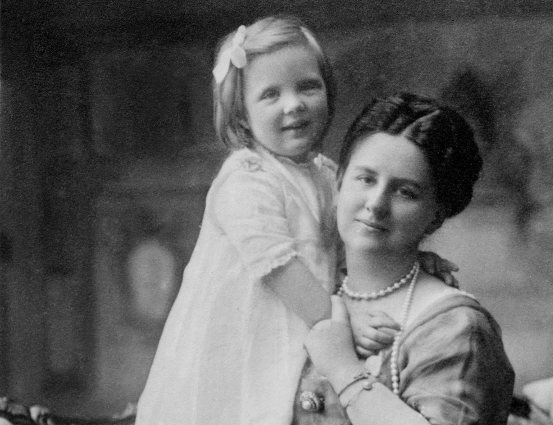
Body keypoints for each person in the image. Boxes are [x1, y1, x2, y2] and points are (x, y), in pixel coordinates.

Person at [135, 17, 454, 425]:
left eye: (307, 86)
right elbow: (281, 269)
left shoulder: (323, 174)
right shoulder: (246, 181)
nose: (294, 104)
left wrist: (411, 261)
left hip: (304, 335)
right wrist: (345, 319)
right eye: (271, 94)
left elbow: (360, 236)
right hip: (242, 347)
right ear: (243, 115)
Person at [300, 92, 516, 425]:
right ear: (340, 182)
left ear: (436, 216)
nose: (376, 203)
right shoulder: (308, 291)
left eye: (405, 192)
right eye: (366, 179)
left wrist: (344, 370)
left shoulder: (456, 329)